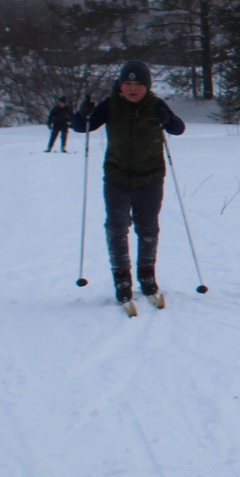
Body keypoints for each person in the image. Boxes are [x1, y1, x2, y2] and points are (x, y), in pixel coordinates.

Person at [70, 60, 185, 308]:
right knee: (116, 225)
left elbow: (178, 129)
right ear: (120, 86)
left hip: (150, 177)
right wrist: (82, 114)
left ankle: (147, 274)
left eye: (138, 84)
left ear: (147, 86)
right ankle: (122, 278)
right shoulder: (110, 104)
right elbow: (81, 127)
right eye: (127, 84)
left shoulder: (155, 104)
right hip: (117, 176)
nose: (132, 89)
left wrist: (166, 119)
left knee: (148, 227)